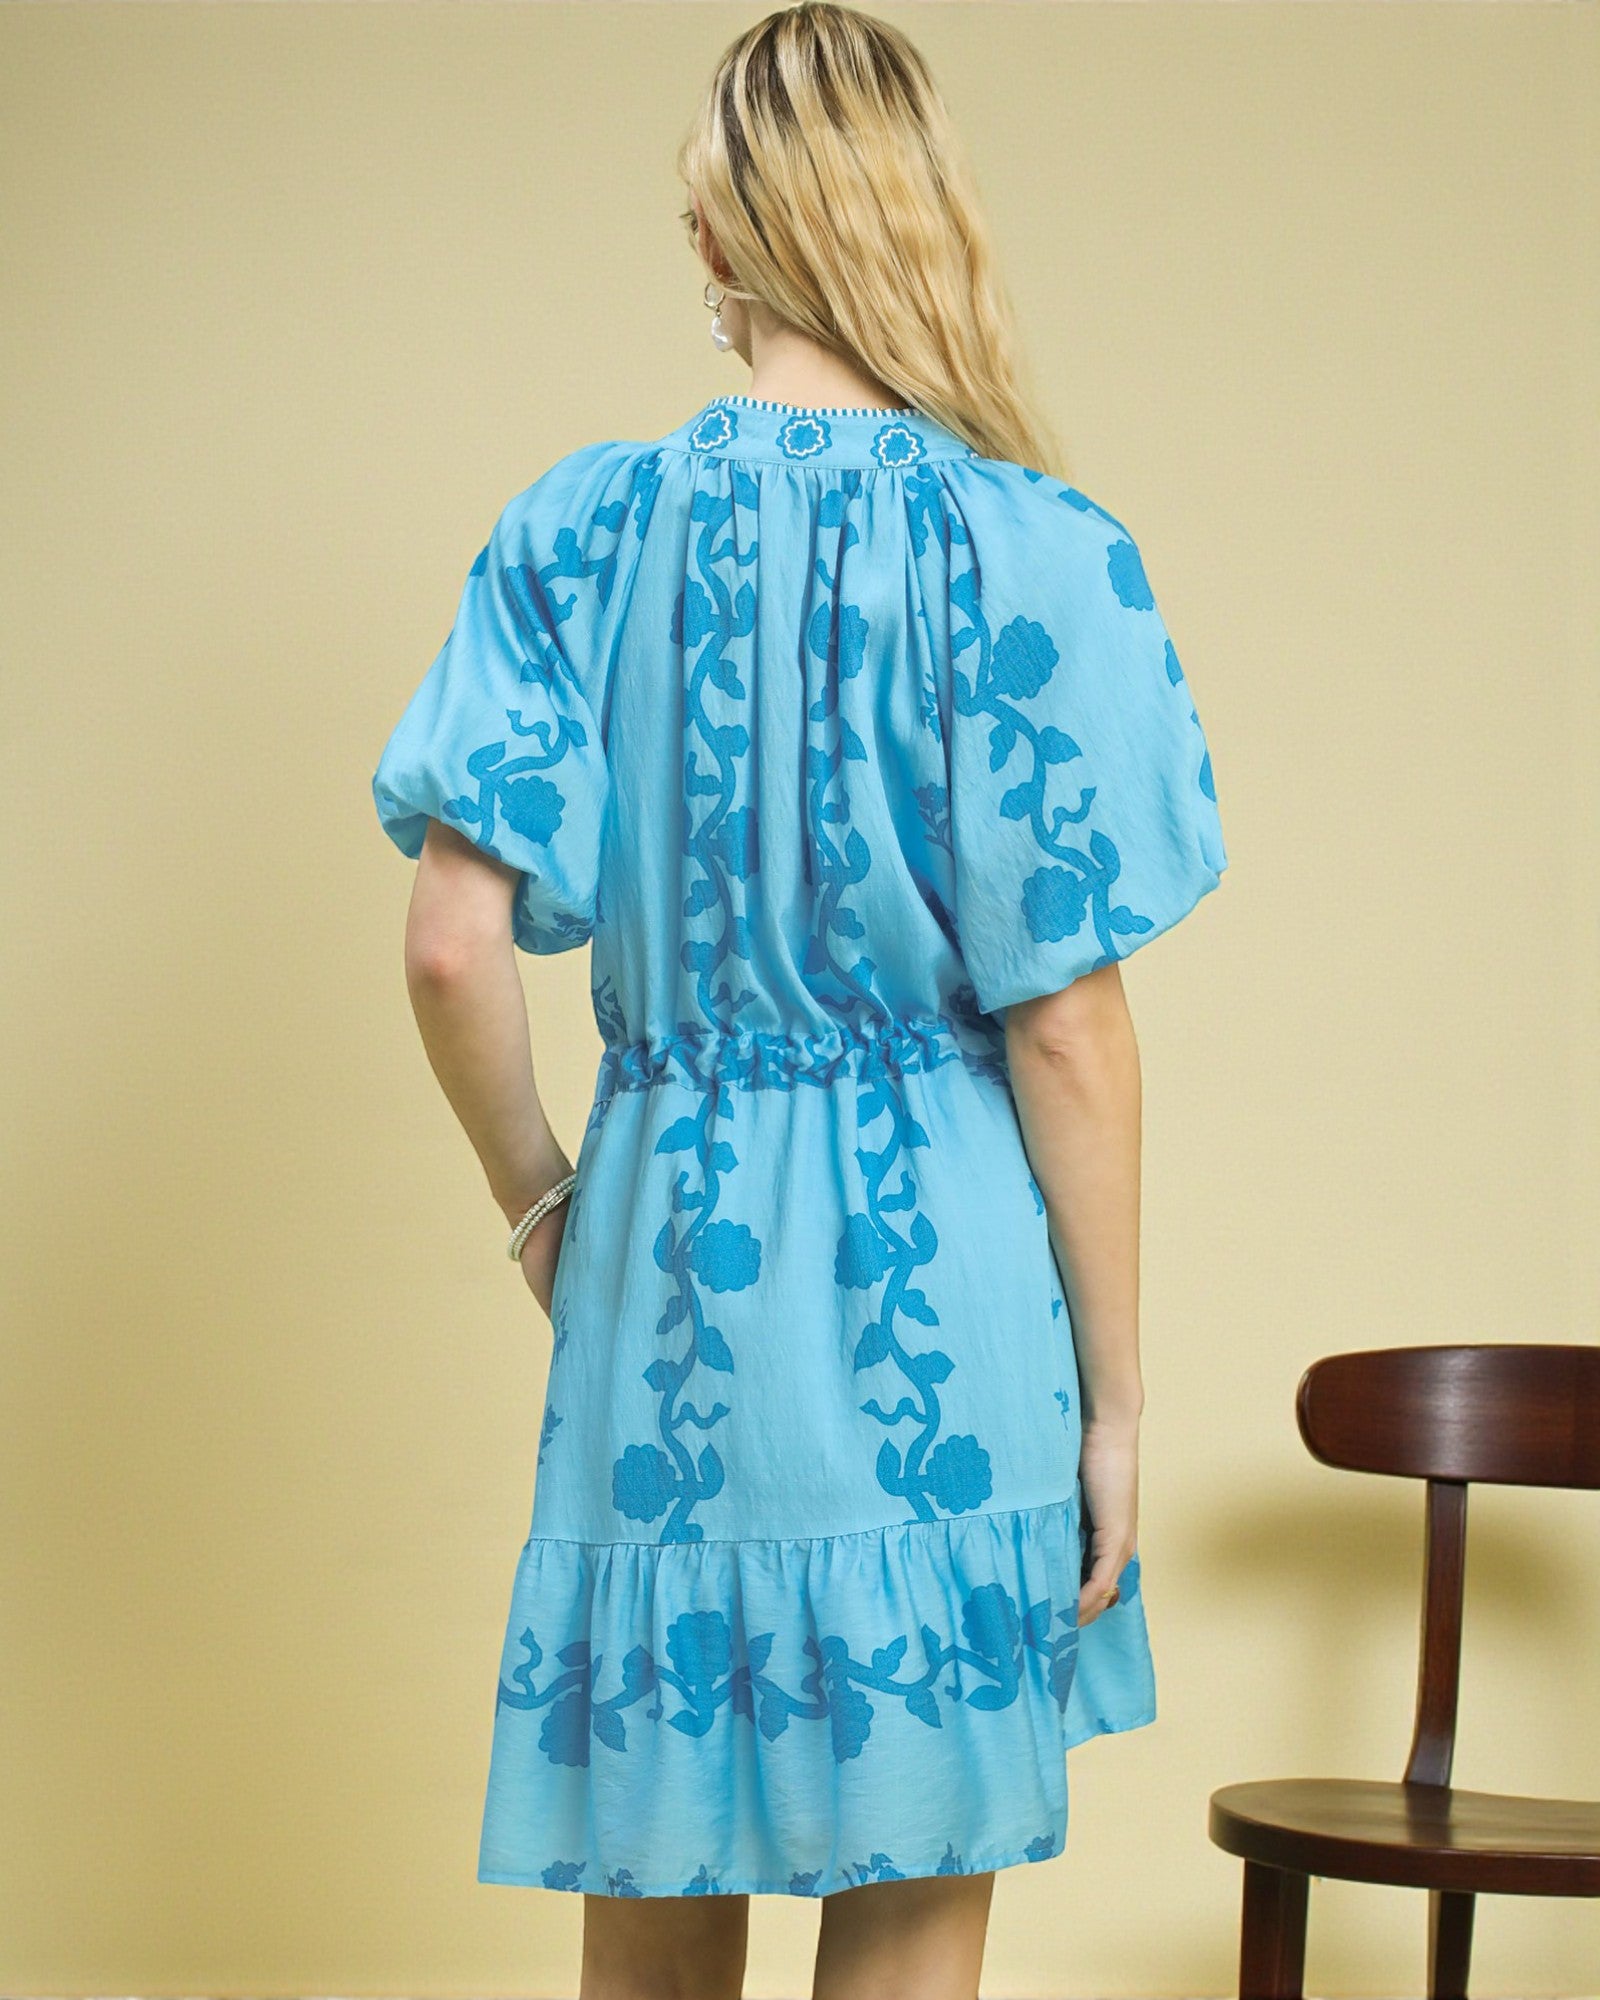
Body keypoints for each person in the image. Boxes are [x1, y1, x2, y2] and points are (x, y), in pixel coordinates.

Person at [369, 4, 1228, 1995]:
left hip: (661, 1284)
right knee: (910, 1916)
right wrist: (1111, 1400)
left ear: (709, 239)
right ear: (918, 222)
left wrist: (537, 1197)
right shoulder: (1022, 549)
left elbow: (445, 937)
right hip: (946, 1288)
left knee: (652, 1926)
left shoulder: (575, 531)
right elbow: (1065, 1027)